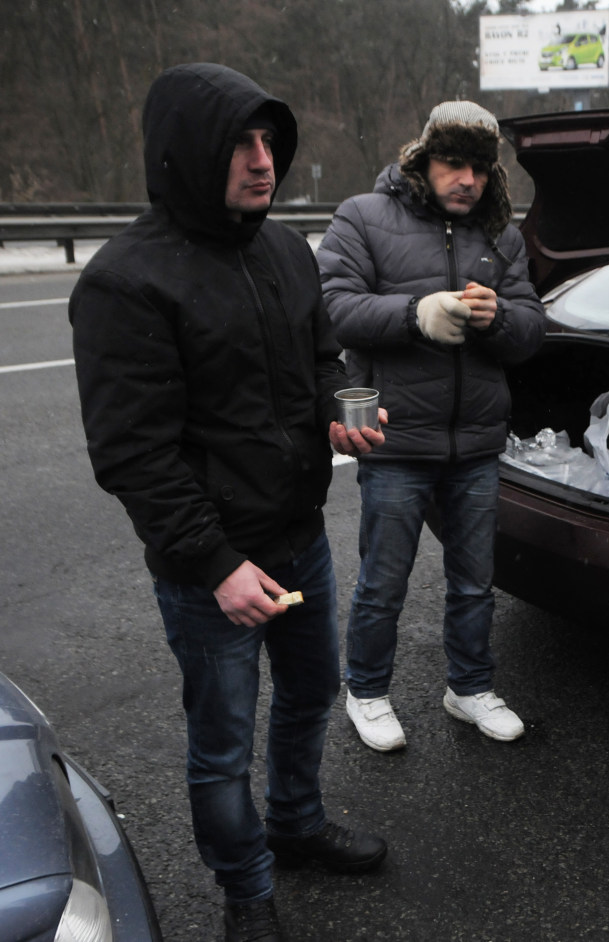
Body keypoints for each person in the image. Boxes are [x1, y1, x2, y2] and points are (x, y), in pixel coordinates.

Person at [69, 63, 388, 942]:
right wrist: (213, 564)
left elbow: (324, 356)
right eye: (240, 143)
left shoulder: (286, 249)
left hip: (298, 539)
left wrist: (338, 410)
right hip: (212, 570)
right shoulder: (126, 281)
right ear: (187, 151)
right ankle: (246, 888)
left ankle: (295, 825)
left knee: (312, 690)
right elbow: (133, 454)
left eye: (269, 142)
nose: (263, 162)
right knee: (220, 744)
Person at [318, 100, 546, 751]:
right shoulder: (363, 216)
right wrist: (413, 314)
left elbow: (532, 328)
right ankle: (366, 691)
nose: (466, 179)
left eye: (478, 167)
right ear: (424, 161)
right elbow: (333, 307)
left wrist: (498, 316)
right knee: (383, 582)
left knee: (475, 581)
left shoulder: (500, 234)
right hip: (395, 438)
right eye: (453, 163)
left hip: (474, 443)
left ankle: (469, 687)